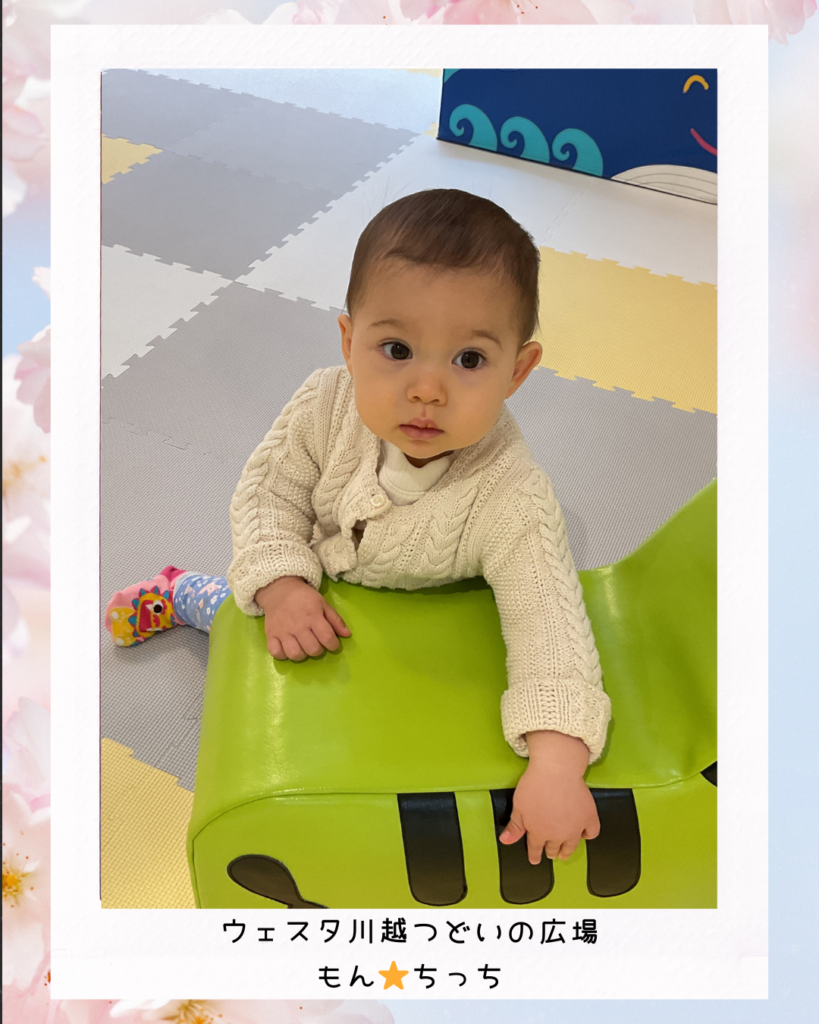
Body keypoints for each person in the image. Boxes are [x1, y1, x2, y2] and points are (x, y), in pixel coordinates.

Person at [105, 189, 611, 866]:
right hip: (316, 592)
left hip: (419, 635)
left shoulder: (513, 496)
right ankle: (180, 591)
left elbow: (549, 625)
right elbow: (268, 495)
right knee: (239, 610)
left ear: (517, 371)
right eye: (396, 348)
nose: (427, 389)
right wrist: (282, 584)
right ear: (349, 342)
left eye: (468, 360)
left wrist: (557, 761)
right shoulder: (324, 406)